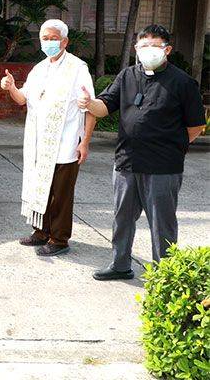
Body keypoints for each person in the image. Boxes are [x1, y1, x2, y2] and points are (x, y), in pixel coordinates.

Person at [79, 24, 205, 281]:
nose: (148, 50)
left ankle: (165, 275)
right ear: (136, 49)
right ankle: (120, 264)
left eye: (155, 46)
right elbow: (105, 106)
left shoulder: (182, 82)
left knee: (162, 224)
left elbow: (196, 126)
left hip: (163, 167)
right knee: (122, 217)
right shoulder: (127, 76)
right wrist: (90, 103)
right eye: (143, 46)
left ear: (167, 49)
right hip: (126, 162)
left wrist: (173, 148)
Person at [1, 19, 96, 256]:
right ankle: (41, 232)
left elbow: (91, 108)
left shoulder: (77, 68)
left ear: (65, 41)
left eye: (53, 38)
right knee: (39, 187)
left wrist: (85, 142)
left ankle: (59, 239)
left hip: (65, 144)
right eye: (45, 38)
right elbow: (23, 99)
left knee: (60, 194)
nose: (49, 42)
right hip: (38, 144)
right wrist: (11, 87)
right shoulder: (40, 68)